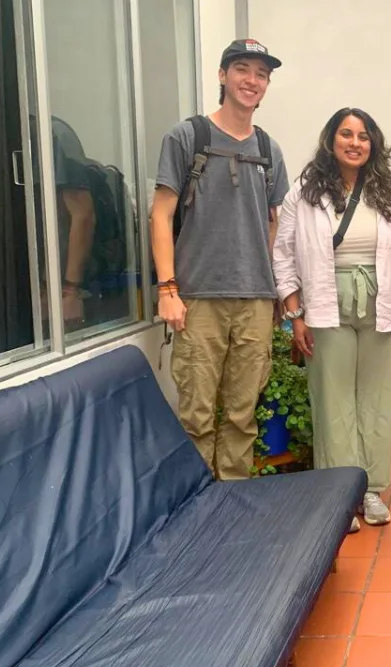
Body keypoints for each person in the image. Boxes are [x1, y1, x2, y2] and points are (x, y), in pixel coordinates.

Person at [151, 39, 289, 481]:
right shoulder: (187, 137)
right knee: (195, 414)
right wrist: (168, 289)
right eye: (242, 69)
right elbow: (161, 214)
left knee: (243, 416)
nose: (252, 80)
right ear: (222, 75)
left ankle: (232, 499)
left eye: (261, 74)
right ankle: (198, 501)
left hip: (255, 301)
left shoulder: (269, 149)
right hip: (199, 298)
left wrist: (276, 291)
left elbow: (274, 224)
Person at [272, 108, 391, 530]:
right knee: (332, 399)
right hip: (325, 303)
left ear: (373, 144)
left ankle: (370, 489)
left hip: (380, 303)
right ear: (331, 140)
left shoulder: (387, 193)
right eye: (346, 134)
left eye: (363, 136)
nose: (355, 143)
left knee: (375, 398)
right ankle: (337, 493)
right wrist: (295, 315)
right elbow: (283, 254)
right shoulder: (304, 193)